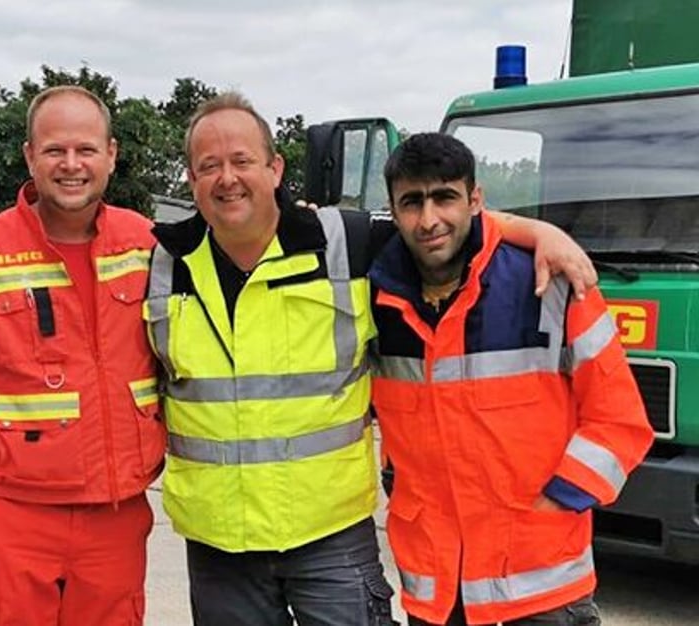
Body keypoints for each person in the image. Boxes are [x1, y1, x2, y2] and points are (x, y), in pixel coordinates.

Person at [144, 92, 599, 626]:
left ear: (275, 167)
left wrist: (539, 231)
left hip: (329, 540)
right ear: (191, 178)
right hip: (219, 548)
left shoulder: (347, 242)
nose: (227, 178)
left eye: (242, 161)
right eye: (208, 166)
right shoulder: (159, 263)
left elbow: (438, 223)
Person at [369, 132, 654, 625]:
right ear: (393, 211)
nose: (429, 218)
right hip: (437, 588)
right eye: (412, 202)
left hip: (542, 584)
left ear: (476, 200)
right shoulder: (375, 301)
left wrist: (559, 500)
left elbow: (619, 420)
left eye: (445, 197)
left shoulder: (551, 285)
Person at [0, 85, 165, 626]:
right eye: (55, 150)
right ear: (29, 156)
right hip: (12, 519)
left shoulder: (149, 245)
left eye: (85, 150)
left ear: (111, 154)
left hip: (117, 518)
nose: (71, 164)